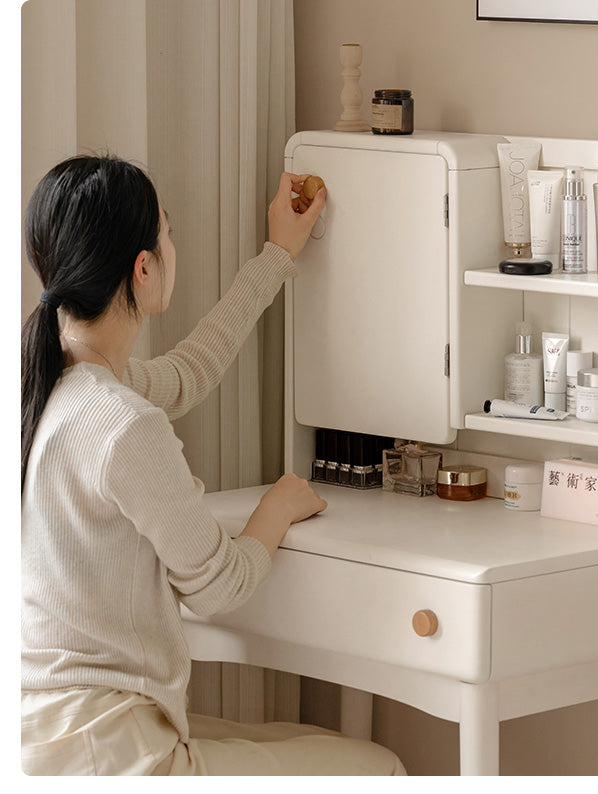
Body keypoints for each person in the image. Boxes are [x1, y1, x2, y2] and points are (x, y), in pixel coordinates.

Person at [20, 154, 407, 776]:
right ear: (144, 270)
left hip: (42, 745)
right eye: (167, 233)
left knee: (299, 741)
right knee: (378, 768)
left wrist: (277, 254)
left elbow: (188, 371)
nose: (174, 246)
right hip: (114, 757)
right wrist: (278, 507)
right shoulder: (121, 423)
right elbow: (220, 586)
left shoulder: (41, 388)